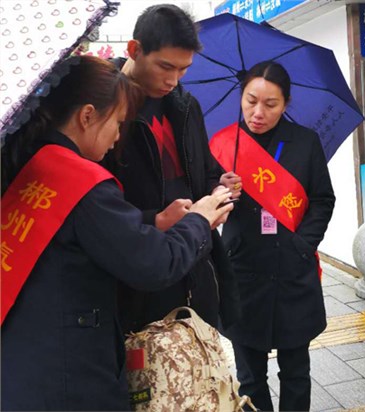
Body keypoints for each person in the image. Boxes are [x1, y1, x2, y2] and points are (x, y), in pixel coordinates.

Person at [0, 55, 234, 411]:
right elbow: (156, 265)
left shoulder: (34, 162)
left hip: (26, 362)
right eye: (119, 123)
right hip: (70, 380)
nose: (117, 137)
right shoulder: (80, 181)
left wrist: (154, 222)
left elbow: (88, 232)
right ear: (88, 115)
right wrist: (200, 220)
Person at [104, 3, 240, 334]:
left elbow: (203, 170)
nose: (173, 79)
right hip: (139, 276)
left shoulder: (186, 105)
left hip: (196, 265)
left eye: (183, 69)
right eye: (165, 66)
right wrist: (155, 219)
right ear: (134, 49)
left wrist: (218, 189)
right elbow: (96, 204)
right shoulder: (104, 107)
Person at [210, 61, 336, 411]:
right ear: (241, 96)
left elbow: (322, 199)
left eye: (271, 104)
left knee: (296, 371)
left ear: (286, 103)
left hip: (292, 269)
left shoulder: (305, 142)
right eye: (251, 101)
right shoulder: (223, 145)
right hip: (243, 271)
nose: (258, 112)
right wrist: (219, 190)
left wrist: (303, 245)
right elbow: (203, 200)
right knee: (249, 376)